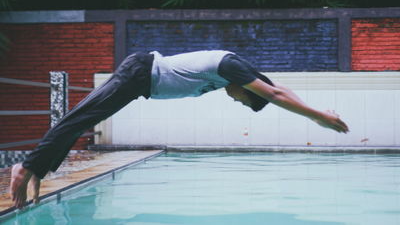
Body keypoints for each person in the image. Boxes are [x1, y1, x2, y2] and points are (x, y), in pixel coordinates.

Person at [10, 50, 349, 209]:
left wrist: (315, 111)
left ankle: (39, 169)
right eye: (244, 100)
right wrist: (318, 117)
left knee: (84, 120)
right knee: (80, 119)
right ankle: (25, 168)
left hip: (142, 80)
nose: (236, 100)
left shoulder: (232, 76)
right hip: (139, 71)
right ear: (247, 87)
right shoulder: (232, 66)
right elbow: (274, 92)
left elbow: (278, 92)